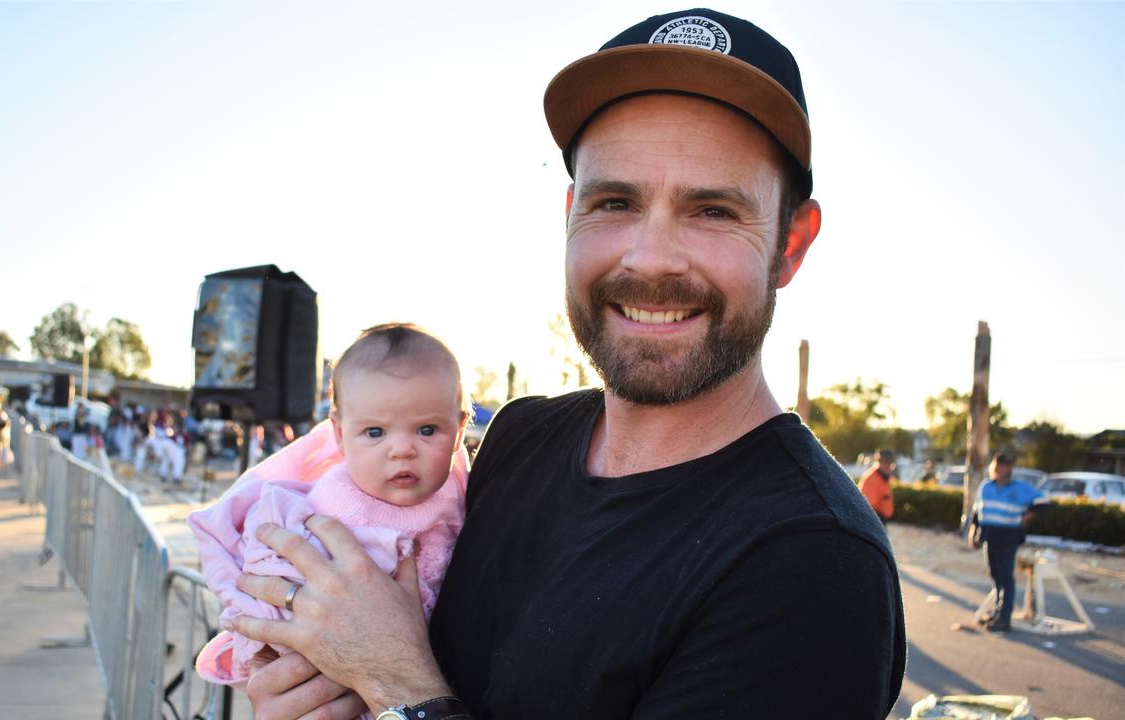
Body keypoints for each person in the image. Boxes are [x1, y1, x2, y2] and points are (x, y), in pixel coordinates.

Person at [231, 9, 904, 719]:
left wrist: (398, 688)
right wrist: (318, 686)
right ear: (569, 213)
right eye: (614, 202)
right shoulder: (519, 439)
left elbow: (398, 667)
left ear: (792, 245)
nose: (649, 257)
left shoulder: (813, 563)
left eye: (712, 211)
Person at [189, 323, 471, 692]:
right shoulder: (327, 505)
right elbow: (281, 578)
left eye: (427, 430)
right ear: (339, 434)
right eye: (375, 432)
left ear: (460, 431)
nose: (402, 449)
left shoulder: (460, 489)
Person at [967, 451, 1049, 632]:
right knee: (995, 575)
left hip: (1009, 538)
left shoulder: (1020, 488)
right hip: (990, 537)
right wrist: (973, 533)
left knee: (1005, 578)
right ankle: (997, 612)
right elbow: (976, 512)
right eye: (1000, 465)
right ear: (994, 467)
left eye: (1007, 466)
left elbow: (1044, 502)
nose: (1003, 469)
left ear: (1011, 469)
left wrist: (1030, 514)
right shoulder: (986, 487)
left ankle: (1005, 617)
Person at [859, 449, 898, 523]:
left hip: (880, 520)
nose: (888, 466)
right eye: (885, 463)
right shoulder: (872, 478)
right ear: (878, 462)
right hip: (874, 521)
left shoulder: (883, 477)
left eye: (889, 463)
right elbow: (869, 507)